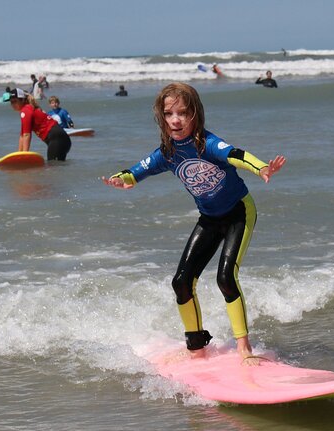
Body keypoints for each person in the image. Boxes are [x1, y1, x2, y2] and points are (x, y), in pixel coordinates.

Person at [102, 82, 286, 362]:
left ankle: (244, 349)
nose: (175, 120)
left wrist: (261, 167)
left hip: (239, 212)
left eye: (183, 113)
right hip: (210, 218)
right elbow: (136, 171)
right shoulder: (167, 154)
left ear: (195, 115)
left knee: (225, 277)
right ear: (161, 117)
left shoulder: (208, 144)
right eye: (168, 114)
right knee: (181, 283)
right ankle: (197, 349)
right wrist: (120, 179)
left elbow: (236, 154)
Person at [0, 88, 71, 161]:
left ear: (23, 100)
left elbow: (27, 135)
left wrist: (24, 157)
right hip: (61, 138)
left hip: (57, 138)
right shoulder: (28, 109)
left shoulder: (25, 111)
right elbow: (22, 136)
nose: (13, 104)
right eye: (11, 102)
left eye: (15, 101)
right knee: (55, 168)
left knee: (52, 168)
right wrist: (19, 154)